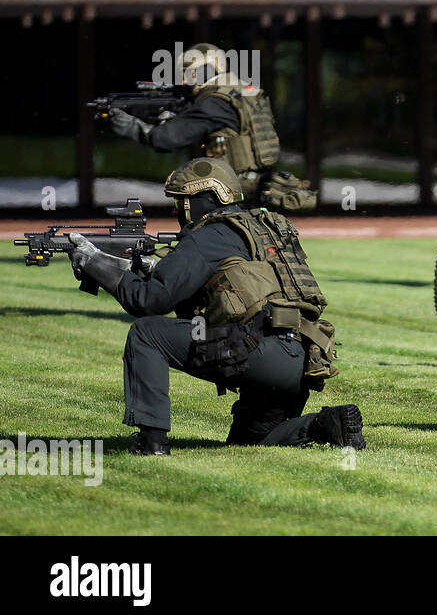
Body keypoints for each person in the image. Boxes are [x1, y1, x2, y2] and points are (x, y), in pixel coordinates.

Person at [67, 157, 358, 455]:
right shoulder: (264, 228)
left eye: (182, 202)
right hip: (301, 359)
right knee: (252, 441)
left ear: (203, 199)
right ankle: (326, 423)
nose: (179, 210)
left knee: (146, 334)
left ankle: (152, 443)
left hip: (255, 350)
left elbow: (148, 301)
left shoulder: (210, 234)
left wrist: (94, 263)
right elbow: (229, 287)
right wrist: (154, 270)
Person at [107, 43, 316, 212]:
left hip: (232, 190)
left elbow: (164, 139)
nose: (186, 81)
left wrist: (125, 122)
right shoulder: (243, 93)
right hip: (257, 184)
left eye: (190, 75)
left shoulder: (213, 102)